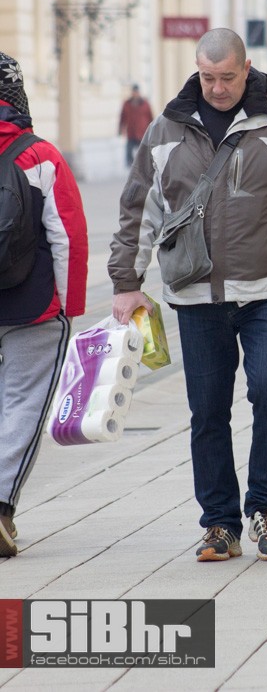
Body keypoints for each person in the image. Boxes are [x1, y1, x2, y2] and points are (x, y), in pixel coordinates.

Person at [108, 28, 267, 562]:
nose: (217, 88)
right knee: (208, 412)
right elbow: (138, 211)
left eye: (228, 78)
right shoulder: (166, 130)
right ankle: (219, 523)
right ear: (198, 70)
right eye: (208, 77)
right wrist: (127, 282)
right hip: (196, 295)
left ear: (247, 69)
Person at [0, 52, 88, 558]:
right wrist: (69, 306)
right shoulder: (40, 155)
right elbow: (68, 237)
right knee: (23, 406)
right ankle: (0, 506)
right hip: (31, 305)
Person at [118, 83, 154, 167]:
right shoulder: (127, 104)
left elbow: (150, 117)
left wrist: (153, 129)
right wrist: (120, 129)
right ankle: (130, 165)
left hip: (142, 132)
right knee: (129, 150)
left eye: (137, 92)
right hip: (131, 132)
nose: (135, 94)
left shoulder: (145, 104)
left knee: (143, 151)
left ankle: (144, 165)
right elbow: (122, 117)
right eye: (134, 92)